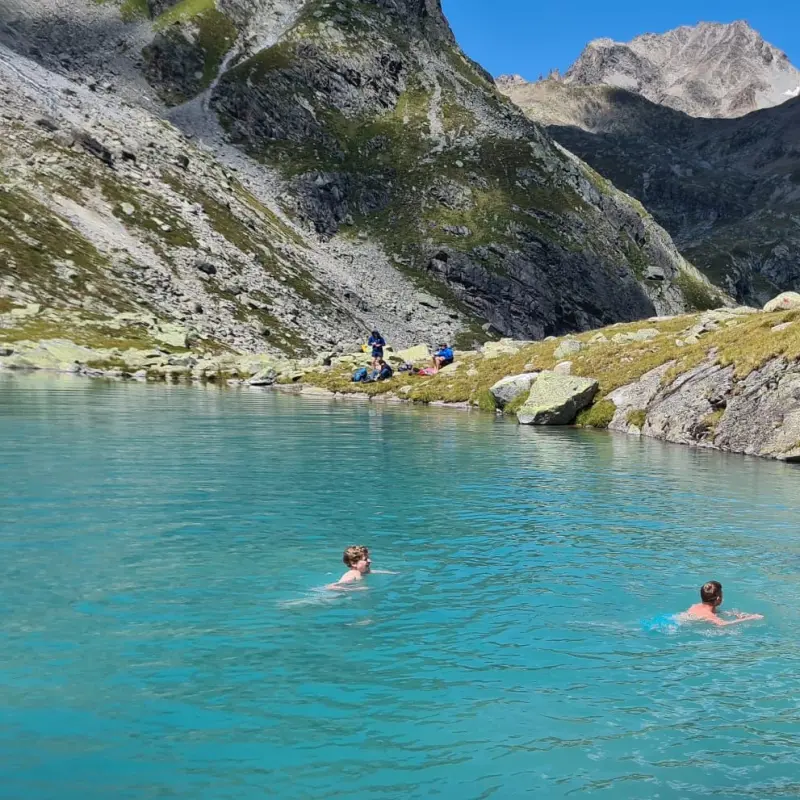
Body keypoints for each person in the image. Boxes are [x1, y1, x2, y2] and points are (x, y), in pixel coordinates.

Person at [681, 581, 763, 626]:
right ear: (718, 598)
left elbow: (716, 612)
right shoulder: (709, 615)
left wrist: (732, 614)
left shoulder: (695, 606)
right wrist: (751, 618)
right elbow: (722, 624)